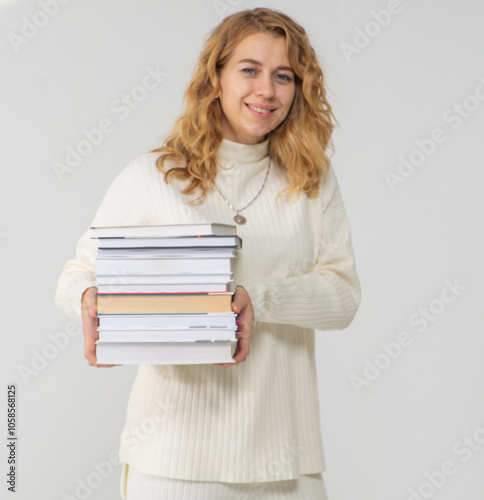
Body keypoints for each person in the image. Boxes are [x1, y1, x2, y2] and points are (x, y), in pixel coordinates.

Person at [55, 7, 361, 500]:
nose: (266, 90)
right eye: (249, 70)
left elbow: (343, 295)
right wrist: (89, 300)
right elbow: (76, 274)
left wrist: (256, 298)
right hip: (172, 461)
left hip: (286, 460)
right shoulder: (155, 174)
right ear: (215, 76)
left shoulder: (311, 180)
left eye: (283, 76)